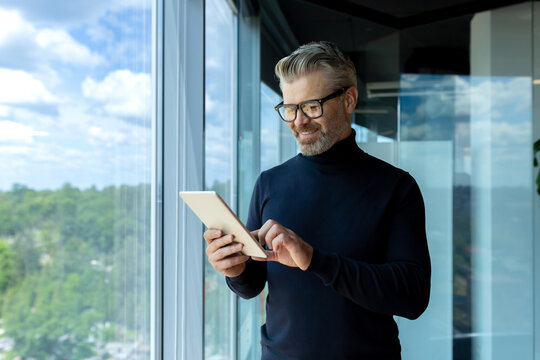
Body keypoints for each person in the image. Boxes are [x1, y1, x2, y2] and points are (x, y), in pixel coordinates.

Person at [204, 41, 431, 360]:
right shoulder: (270, 182)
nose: (298, 121)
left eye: (311, 106)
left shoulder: (396, 187)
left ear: (349, 99)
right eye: (289, 108)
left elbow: (413, 297)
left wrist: (314, 259)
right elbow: (252, 285)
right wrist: (233, 267)